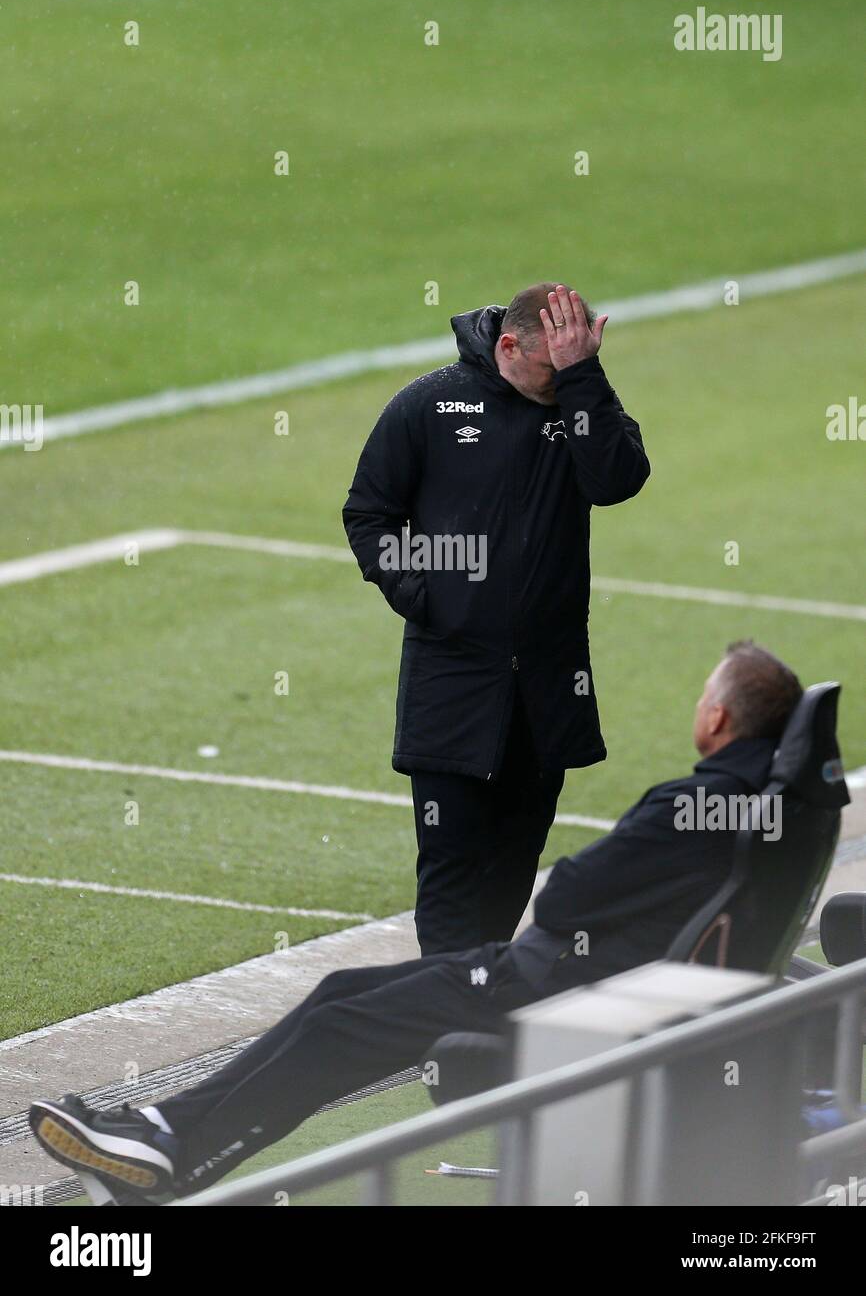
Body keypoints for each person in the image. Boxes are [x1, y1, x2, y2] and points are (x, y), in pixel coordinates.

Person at [30, 641, 803, 1207]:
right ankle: (165, 1130)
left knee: (337, 1027)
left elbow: (565, 898)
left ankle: (174, 1154)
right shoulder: (776, 805)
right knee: (338, 994)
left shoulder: (690, 806)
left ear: (717, 715)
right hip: (604, 988)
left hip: (556, 990)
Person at [343, 283, 650, 954]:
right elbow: (369, 514)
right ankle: (445, 1023)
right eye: (552, 368)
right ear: (509, 346)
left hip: (547, 689)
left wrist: (582, 378)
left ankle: (473, 1006)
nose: (560, 382)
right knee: (451, 871)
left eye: (574, 367)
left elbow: (618, 481)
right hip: (451, 683)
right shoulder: (429, 405)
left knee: (513, 868)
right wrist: (425, 596)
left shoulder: (577, 401)